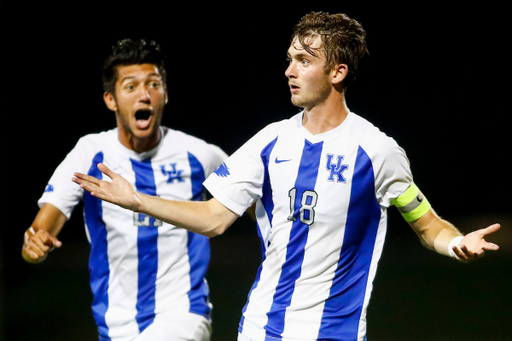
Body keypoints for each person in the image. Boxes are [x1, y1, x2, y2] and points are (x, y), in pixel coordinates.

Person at [72, 13, 500, 341]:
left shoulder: (377, 151)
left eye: (303, 60)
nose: (289, 70)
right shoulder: (270, 142)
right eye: (289, 59)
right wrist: (138, 200)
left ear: (338, 73)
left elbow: (426, 224)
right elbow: (214, 218)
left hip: (334, 331)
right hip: (260, 327)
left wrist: (456, 242)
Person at [22, 39, 228, 341]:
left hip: (184, 314)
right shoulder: (90, 152)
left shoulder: (200, 155)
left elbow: (252, 204)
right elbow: (44, 226)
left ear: (165, 94)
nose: (144, 95)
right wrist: (34, 246)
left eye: (154, 85)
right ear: (111, 99)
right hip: (114, 326)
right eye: (131, 87)